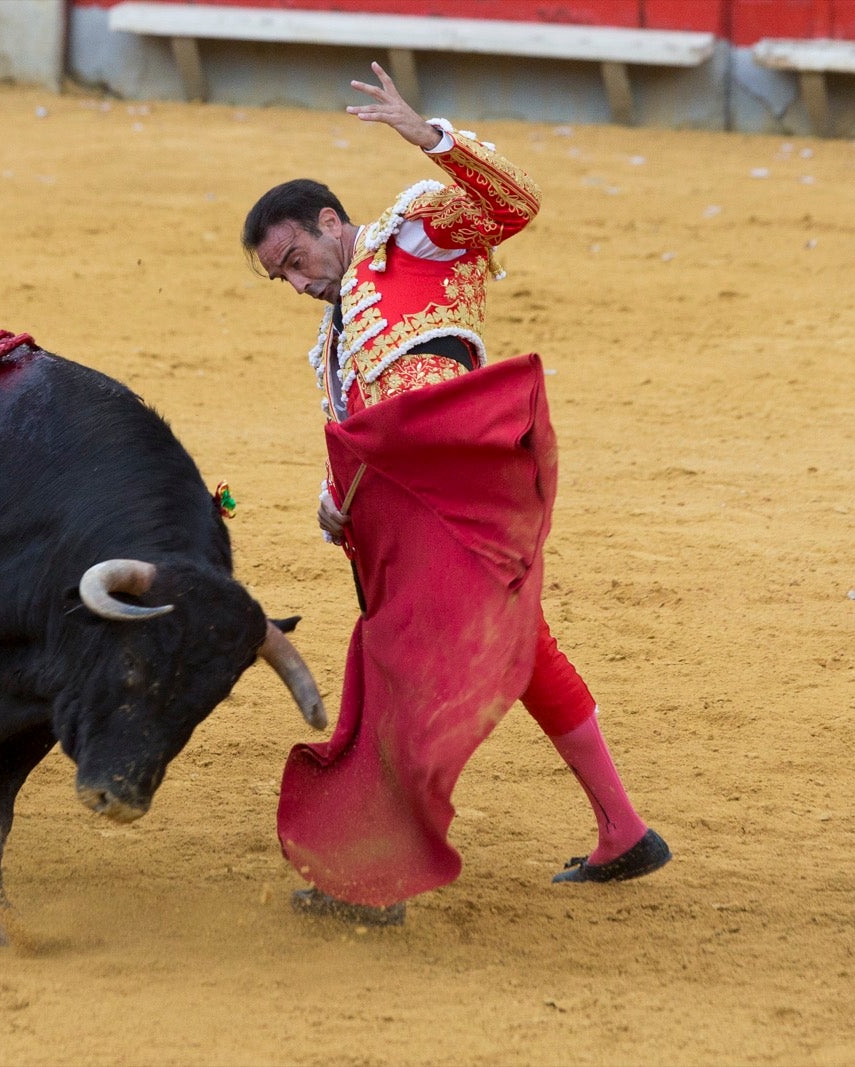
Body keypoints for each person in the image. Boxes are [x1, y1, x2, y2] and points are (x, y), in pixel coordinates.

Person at [242, 63, 669, 927]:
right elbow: (353, 429)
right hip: (409, 507)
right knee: (519, 649)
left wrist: (426, 134)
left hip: (462, 477)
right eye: (279, 278)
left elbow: (515, 205)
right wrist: (333, 502)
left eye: (296, 259)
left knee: (398, 664)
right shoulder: (326, 348)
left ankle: (374, 871)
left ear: (331, 222)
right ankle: (624, 829)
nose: (297, 283)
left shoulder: (414, 235)